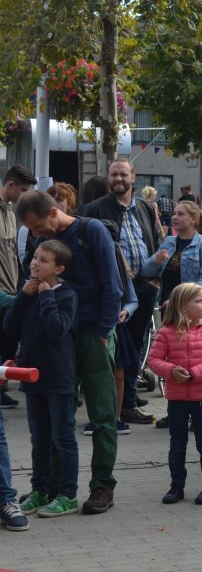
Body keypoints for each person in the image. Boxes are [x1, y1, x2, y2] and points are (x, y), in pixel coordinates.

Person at [15, 190, 123, 514]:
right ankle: (50, 487)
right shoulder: (41, 242)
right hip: (56, 340)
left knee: (101, 415)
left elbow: (112, 286)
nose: (34, 236)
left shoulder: (91, 232)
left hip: (91, 336)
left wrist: (103, 334)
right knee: (54, 418)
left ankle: (102, 486)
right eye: (30, 231)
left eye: (36, 227)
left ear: (52, 212)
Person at [78, 158, 164, 425]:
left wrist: (153, 281)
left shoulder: (146, 208)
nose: (118, 179)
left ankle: (127, 402)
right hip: (114, 291)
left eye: (123, 174)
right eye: (114, 174)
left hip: (144, 287)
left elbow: (155, 241)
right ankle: (114, 407)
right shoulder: (93, 209)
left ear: (133, 177)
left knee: (136, 346)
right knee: (115, 353)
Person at [6, 239, 79, 518]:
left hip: (59, 377)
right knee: (39, 440)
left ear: (58, 268)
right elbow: (10, 327)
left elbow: (57, 330)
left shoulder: (66, 295)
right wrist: (24, 296)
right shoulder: (29, 291)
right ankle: (40, 489)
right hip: (32, 377)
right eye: (35, 257)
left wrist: (46, 296)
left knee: (63, 438)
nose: (35, 263)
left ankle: (67, 493)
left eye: (43, 260)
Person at [146, 283, 202, 506]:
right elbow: (154, 360)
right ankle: (176, 486)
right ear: (183, 305)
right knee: (177, 444)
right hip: (177, 398)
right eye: (198, 300)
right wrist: (171, 371)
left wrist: (193, 374)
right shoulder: (167, 332)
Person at [0, 164, 37, 410]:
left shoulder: (11, 211)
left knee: (5, 344)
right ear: (10, 185)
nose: (25, 195)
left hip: (10, 287)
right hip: (2, 292)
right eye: (23, 189)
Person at [142, 200, 202, 312]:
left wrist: (179, 299)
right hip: (167, 307)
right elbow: (146, 272)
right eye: (174, 214)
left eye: (180, 214)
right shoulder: (168, 242)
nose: (175, 217)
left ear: (193, 219)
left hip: (192, 309)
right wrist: (155, 260)